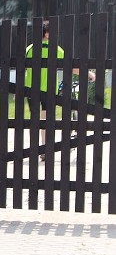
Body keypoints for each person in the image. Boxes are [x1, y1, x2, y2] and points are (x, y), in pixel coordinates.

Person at [24, 20, 94, 159]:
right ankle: (44, 149)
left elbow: (23, 69)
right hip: (49, 90)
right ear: (48, 34)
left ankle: (34, 149)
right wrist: (88, 74)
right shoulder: (55, 49)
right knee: (45, 121)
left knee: (34, 120)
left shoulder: (30, 48)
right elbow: (70, 66)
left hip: (31, 89)